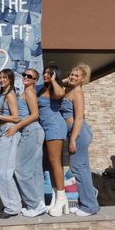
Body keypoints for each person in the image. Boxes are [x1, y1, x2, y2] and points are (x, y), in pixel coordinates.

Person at [5, 69, 47, 218]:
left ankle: (35, 204)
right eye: (24, 75)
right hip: (34, 132)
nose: (26, 77)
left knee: (21, 170)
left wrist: (16, 126)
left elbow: (35, 115)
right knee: (35, 171)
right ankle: (39, 203)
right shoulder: (26, 91)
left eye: (30, 76)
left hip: (31, 131)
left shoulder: (29, 91)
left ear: (35, 80)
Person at [61, 64, 100, 216]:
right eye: (71, 74)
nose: (72, 77)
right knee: (82, 168)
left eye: (77, 76)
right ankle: (87, 203)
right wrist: (70, 78)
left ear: (83, 79)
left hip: (79, 132)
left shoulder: (77, 93)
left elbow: (78, 118)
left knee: (78, 168)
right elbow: (62, 81)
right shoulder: (69, 89)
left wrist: (73, 139)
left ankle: (90, 206)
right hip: (76, 132)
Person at [38, 66, 68, 217]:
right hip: (47, 128)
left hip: (55, 126)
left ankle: (62, 198)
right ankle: (58, 198)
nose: (45, 75)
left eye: (49, 73)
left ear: (55, 75)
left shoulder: (55, 88)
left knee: (55, 162)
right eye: (44, 72)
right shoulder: (43, 89)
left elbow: (60, 93)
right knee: (51, 163)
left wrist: (55, 80)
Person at [0, 69, 21, 219]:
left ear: (10, 79)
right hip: (3, 133)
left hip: (9, 133)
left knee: (3, 172)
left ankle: (12, 207)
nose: (2, 79)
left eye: (5, 77)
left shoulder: (10, 94)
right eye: (0, 77)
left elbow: (16, 117)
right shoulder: (1, 93)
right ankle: (14, 205)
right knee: (3, 172)